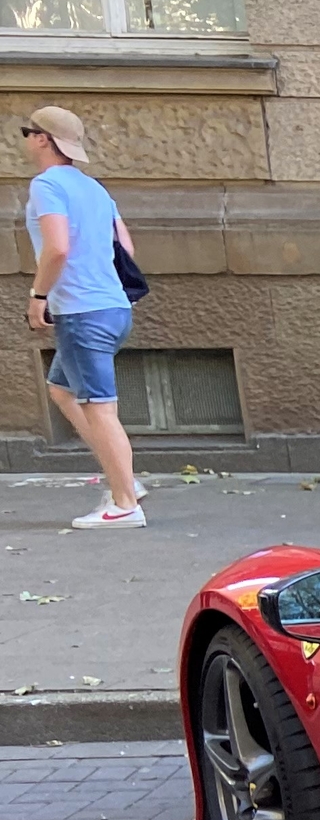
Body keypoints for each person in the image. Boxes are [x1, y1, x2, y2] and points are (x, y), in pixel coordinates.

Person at [22, 106, 143, 528]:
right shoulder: (94, 188)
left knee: (99, 408)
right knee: (61, 389)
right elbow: (124, 248)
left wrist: (39, 296)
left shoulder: (46, 185)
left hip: (81, 311)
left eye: (28, 132)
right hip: (114, 307)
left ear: (42, 139)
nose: (25, 140)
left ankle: (125, 503)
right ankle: (124, 477)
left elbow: (56, 248)